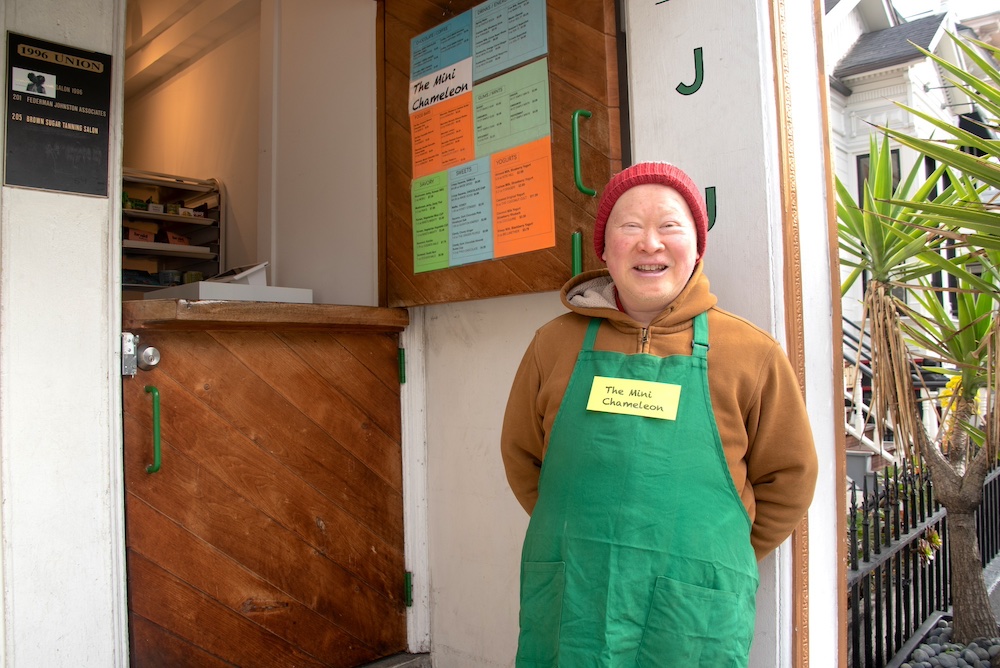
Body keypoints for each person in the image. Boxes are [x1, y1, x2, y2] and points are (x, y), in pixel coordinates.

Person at [500, 161, 818, 667]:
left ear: (696, 248)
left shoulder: (751, 353)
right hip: (575, 600)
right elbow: (523, 459)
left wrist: (714, 555)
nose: (650, 243)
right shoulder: (552, 345)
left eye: (670, 226)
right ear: (605, 248)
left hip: (692, 615)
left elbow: (790, 477)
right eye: (630, 227)